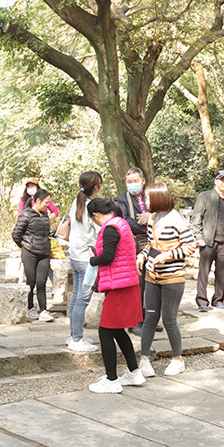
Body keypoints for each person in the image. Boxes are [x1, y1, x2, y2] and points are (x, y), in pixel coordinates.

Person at [136, 183, 196, 377]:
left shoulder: (176, 219)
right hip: (152, 275)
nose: (145, 201)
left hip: (173, 277)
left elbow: (190, 246)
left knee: (169, 319)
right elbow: (150, 244)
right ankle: (144, 360)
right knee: (150, 317)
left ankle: (177, 359)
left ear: (158, 198)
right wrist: (143, 255)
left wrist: (167, 255)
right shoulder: (153, 218)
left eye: (147, 198)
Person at [86, 198, 145, 394]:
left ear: (95, 215)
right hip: (126, 284)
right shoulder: (121, 223)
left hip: (120, 286)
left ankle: (111, 380)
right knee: (118, 330)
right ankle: (134, 372)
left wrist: (92, 259)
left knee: (105, 332)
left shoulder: (110, 228)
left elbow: (108, 256)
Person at [114, 167, 162, 335]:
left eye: (136, 180)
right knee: (138, 285)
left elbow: (162, 215)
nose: (132, 184)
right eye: (129, 181)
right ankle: (135, 321)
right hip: (134, 246)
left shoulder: (152, 197)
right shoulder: (120, 200)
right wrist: (148, 224)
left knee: (153, 283)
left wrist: (151, 216)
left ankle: (150, 319)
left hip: (154, 244)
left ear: (143, 181)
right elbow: (125, 221)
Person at [190, 169, 224, 312]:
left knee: (222, 273)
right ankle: (202, 301)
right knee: (203, 272)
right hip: (208, 241)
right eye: (222, 180)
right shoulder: (205, 196)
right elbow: (196, 218)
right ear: (215, 181)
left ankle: (218, 300)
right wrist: (198, 237)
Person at [66, 171, 102, 352]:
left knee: (76, 298)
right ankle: (77, 339)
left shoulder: (77, 202)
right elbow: (100, 226)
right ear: (96, 187)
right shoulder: (91, 206)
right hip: (86, 260)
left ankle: (74, 335)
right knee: (82, 300)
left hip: (75, 257)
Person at [12, 188, 55, 322]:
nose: (48, 205)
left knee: (41, 283)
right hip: (29, 252)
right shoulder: (26, 215)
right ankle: (30, 308)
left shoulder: (45, 215)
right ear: (38, 201)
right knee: (30, 282)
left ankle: (43, 310)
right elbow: (16, 234)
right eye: (46, 202)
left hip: (44, 252)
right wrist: (25, 246)